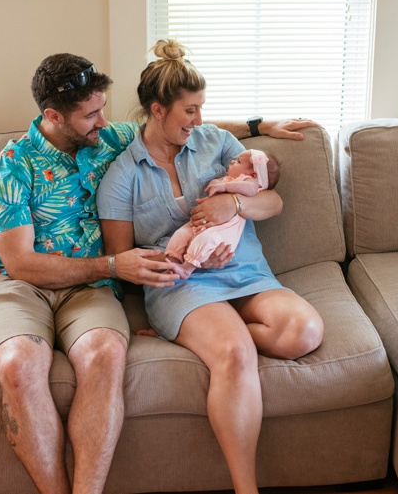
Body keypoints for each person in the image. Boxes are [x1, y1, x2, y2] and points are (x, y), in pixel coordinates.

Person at [0, 51, 315, 494]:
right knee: (19, 366)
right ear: (54, 116)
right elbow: (21, 263)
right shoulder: (10, 167)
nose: (104, 122)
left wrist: (260, 126)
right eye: (91, 115)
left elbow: (185, 125)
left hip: (91, 289)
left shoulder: (106, 137)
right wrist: (115, 265)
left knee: (105, 355)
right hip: (26, 284)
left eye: (103, 109)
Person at [97, 40, 324, 494]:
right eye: (190, 111)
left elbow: (272, 202)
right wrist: (185, 259)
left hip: (246, 272)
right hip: (182, 285)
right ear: (157, 110)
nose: (199, 119)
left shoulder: (217, 143)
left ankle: (204, 333)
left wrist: (233, 205)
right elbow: (124, 264)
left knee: (304, 332)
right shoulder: (123, 175)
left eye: (201, 108)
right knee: (235, 353)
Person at [164, 148, 280, 279]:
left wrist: (226, 189)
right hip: (200, 223)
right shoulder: (227, 178)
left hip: (222, 229)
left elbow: (252, 190)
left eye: (238, 161)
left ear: (253, 174)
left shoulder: (249, 182)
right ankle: (171, 263)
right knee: (181, 234)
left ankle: (186, 269)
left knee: (205, 240)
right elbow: (216, 182)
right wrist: (215, 183)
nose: (232, 161)